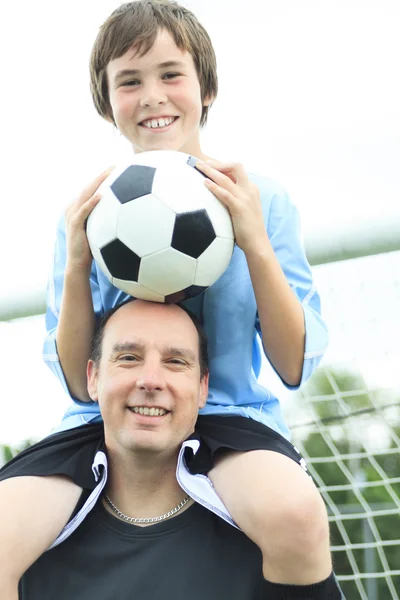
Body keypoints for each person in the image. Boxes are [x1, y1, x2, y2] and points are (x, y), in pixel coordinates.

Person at [0, 1, 343, 598]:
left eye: (170, 74)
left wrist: (255, 243)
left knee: (294, 514)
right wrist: (80, 259)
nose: (153, 95)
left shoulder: (266, 198)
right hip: (103, 423)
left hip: (232, 418)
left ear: (206, 88)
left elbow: (292, 366)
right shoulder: (89, 212)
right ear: (108, 104)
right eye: (129, 81)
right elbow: (80, 384)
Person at [18, 300, 270, 599]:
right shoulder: (28, 543)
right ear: (93, 378)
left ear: (203, 387)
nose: (151, 381)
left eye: (176, 362)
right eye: (128, 357)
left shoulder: (265, 534)